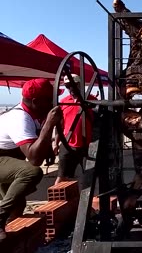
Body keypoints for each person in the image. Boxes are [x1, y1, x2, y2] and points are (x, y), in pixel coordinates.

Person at [0, 78, 62, 241]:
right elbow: (34, 159)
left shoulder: (33, 115)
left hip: (8, 158)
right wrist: (49, 124)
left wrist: (47, 144)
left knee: (17, 206)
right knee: (31, 172)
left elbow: (37, 144)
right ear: (35, 101)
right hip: (3, 158)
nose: (52, 105)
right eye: (49, 101)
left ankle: (11, 243)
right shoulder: (20, 118)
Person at [53, 74, 96, 185]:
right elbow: (59, 125)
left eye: (73, 85)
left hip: (86, 144)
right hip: (68, 143)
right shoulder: (63, 102)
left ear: (79, 84)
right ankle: (60, 198)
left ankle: (86, 200)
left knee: (88, 177)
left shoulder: (92, 101)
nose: (71, 89)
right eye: (68, 86)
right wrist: (55, 143)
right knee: (61, 176)